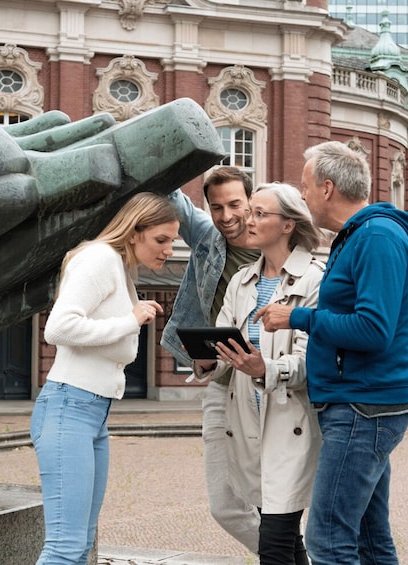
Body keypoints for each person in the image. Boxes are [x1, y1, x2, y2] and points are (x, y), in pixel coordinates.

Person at [255, 141, 408, 565]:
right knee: (369, 539)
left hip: (363, 407)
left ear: (327, 188)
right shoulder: (361, 237)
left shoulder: (376, 236)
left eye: (306, 185)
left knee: (328, 539)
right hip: (364, 402)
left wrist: (298, 318)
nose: (303, 193)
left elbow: (373, 329)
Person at [31, 192, 180, 565]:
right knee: (65, 547)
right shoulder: (100, 259)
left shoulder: (120, 269)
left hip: (92, 415)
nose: (168, 250)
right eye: (161, 240)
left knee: (81, 545)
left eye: (173, 241)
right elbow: (58, 327)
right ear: (134, 232)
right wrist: (130, 321)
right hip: (69, 408)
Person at [191, 183, 324, 565]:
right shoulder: (241, 281)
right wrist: (205, 361)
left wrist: (265, 368)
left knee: (275, 540)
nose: (249, 219)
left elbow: (309, 361)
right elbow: (223, 351)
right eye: (252, 211)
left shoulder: (315, 280)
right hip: (246, 420)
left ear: (287, 225)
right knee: (280, 535)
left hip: (289, 421)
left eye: (259, 213)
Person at [160, 167, 262, 553]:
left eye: (235, 204)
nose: (226, 216)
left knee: (279, 499)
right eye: (216, 207)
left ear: (250, 201)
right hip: (223, 383)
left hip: (274, 382)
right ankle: (289, 556)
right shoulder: (207, 236)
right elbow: (174, 199)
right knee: (224, 504)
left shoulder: (278, 243)